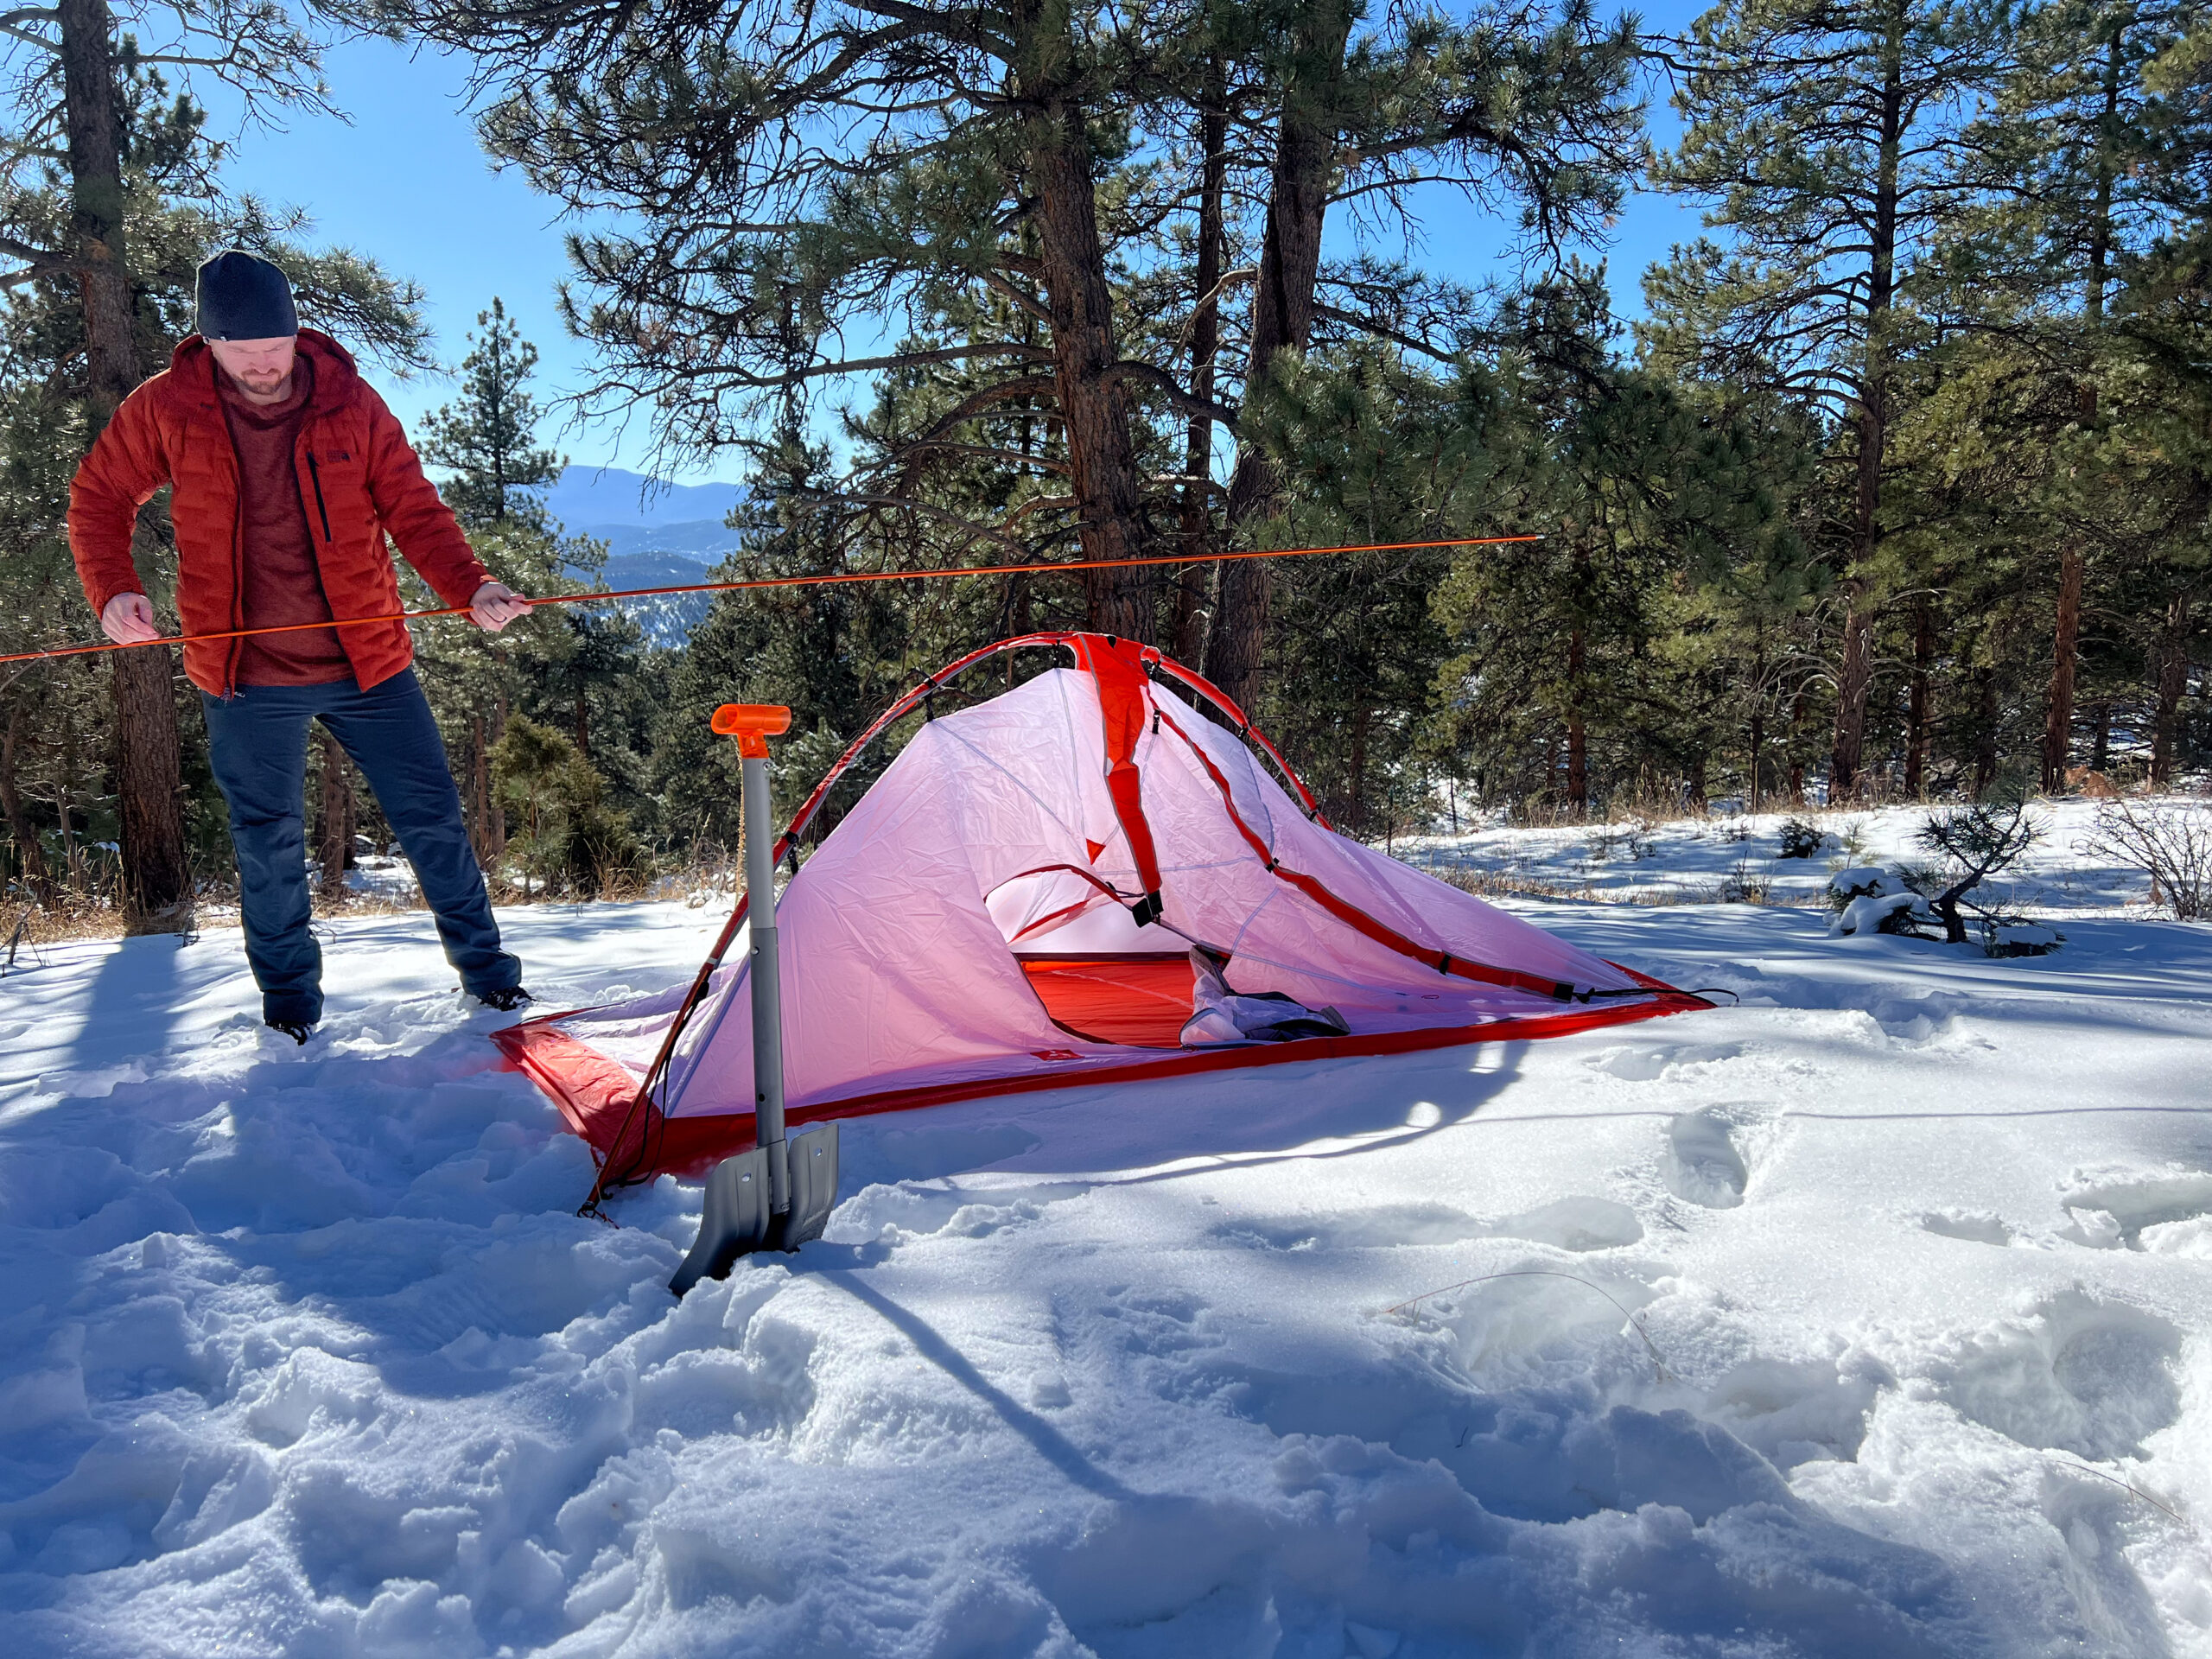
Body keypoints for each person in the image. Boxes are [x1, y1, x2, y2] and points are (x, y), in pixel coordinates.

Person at [69, 249, 534, 1042]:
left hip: (371, 665)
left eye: (275, 350)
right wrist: (113, 589)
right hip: (242, 675)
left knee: (433, 822)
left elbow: (414, 508)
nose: (263, 368)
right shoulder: (168, 407)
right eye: (243, 354)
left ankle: (491, 983)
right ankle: (289, 1016)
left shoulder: (350, 401)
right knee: (269, 846)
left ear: (294, 331)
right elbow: (100, 495)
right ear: (209, 344)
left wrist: (470, 587)